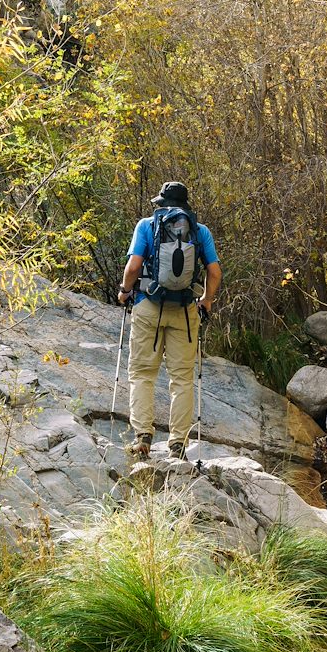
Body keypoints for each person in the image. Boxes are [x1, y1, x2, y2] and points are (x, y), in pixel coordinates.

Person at [117, 180, 221, 459]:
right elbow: (214, 271)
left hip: (148, 306)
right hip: (185, 313)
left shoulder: (147, 226)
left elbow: (134, 266)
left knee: (142, 373)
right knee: (182, 379)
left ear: (161, 204)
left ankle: (142, 438)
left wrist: (125, 292)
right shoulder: (200, 232)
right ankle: (177, 444)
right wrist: (207, 300)